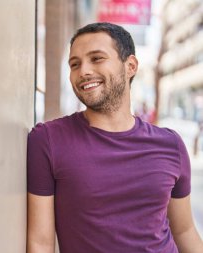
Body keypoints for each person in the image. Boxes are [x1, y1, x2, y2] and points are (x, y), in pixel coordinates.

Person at [26, 22, 203, 253]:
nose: (83, 71)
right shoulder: (47, 140)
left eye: (97, 58)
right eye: (74, 64)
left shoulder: (171, 145)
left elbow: (184, 231)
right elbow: (40, 243)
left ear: (130, 66)